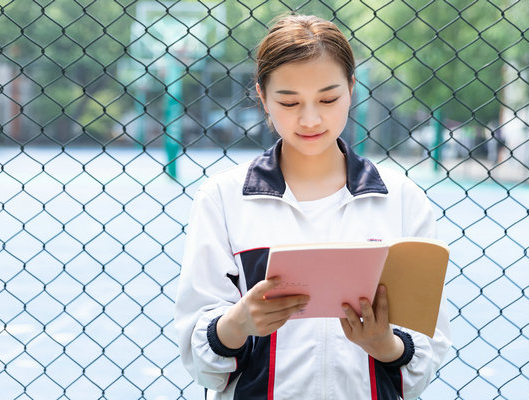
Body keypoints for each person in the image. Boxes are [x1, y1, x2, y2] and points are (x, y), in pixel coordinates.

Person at [175, 14, 451, 400]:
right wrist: (237, 324)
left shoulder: (401, 199)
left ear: (352, 89)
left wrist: (384, 345)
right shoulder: (223, 198)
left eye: (328, 98)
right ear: (263, 97)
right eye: (289, 101)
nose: (310, 118)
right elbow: (200, 359)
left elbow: (427, 351)